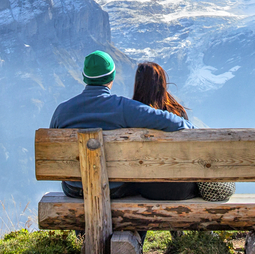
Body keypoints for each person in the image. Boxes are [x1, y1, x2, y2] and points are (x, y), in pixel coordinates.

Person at [50, 50, 192, 199]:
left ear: (84, 77)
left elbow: (53, 150)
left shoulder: (61, 111)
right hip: (113, 189)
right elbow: (168, 121)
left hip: (73, 189)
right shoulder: (124, 107)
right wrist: (188, 125)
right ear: (112, 76)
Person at [131, 62, 199, 200]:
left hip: (147, 189)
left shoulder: (130, 115)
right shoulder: (176, 112)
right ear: (162, 83)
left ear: (137, 84)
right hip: (181, 189)